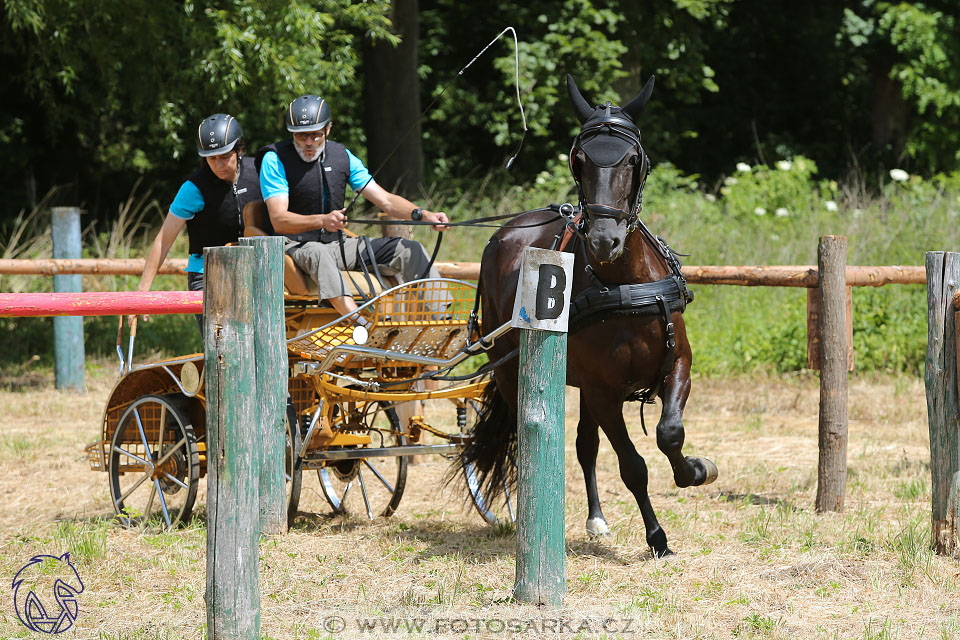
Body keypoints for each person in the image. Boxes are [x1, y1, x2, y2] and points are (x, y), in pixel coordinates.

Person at [255, 94, 449, 321]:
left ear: (328, 129)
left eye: (316, 135)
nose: (308, 142)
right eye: (301, 136)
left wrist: (423, 214)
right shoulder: (274, 159)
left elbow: (385, 200)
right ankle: (364, 325)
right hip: (295, 245)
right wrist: (323, 220)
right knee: (318, 253)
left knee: (409, 249)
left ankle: (443, 322)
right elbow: (279, 220)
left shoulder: (342, 156)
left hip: (338, 244)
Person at [135, 114, 262, 330]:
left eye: (225, 156)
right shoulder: (193, 188)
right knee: (222, 349)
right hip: (207, 275)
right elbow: (163, 240)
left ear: (238, 150)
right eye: (212, 159)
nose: (219, 165)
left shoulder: (260, 171)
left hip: (257, 271)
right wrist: (142, 294)